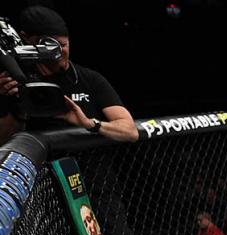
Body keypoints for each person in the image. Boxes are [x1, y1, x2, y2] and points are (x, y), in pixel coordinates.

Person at [0, 6, 137, 143]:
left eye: (63, 45)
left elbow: (130, 131)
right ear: (28, 41)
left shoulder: (90, 79)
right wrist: (16, 107)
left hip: (90, 160)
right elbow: (4, 141)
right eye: (52, 46)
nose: (60, 52)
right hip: (44, 161)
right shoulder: (16, 81)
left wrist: (89, 123)